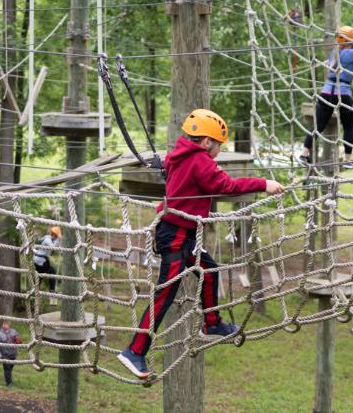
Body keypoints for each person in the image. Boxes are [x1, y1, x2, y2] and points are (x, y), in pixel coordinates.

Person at [118, 109, 286, 378]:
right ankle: (135, 351)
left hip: (185, 234)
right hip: (175, 236)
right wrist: (263, 183)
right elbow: (226, 186)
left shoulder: (179, 155)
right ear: (207, 142)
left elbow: (189, 187)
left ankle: (211, 324)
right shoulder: (200, 160)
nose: (219, 149)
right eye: (219, 144)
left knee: (210, 271)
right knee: (165, 295)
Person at [299, 26, 353, 169]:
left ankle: (304, 153)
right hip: (342, 93)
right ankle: (347, 159)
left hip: (326, 93)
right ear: (350, 40)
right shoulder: (350, 53)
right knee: (348, 126)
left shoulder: (335, 52)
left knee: (318, 126)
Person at [33, 226, 61, 293]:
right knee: (52, 272)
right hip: (41, 260)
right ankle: (52, 290)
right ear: (54, 235)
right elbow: (53, 247)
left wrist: (37, 235)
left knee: (40, 275)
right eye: (56, 236)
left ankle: (34, 289)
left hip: (39, 260)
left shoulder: (47, 237)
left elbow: (40, 240)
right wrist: (58, 239)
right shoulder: (48, 239)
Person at [0, 321, 22, 387]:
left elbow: (19, 341)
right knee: (7, 368)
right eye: (4, 324)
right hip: (5, 354)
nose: (6, 325)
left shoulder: (14, 331)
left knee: (10, 368)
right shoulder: (0, 334)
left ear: (9, 324)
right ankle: (9, 383)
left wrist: (18, 341)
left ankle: (8, 379)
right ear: (2, 325)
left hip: (13, 353)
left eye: (7, 324)